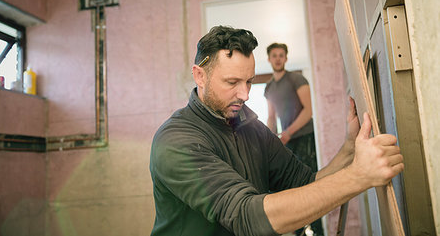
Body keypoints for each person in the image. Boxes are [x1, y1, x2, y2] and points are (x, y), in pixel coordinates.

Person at [149, 25, 404, 236]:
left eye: (249, 81)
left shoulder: (252, 128)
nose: (245, 94)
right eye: (232, 82)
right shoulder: (176, 142)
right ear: (200, 76)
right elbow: (248, 216)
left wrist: (350, 149)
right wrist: (359, 177)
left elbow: (307, 184)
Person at [264, 43, 321, 235]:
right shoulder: (269, 87)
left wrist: (288, 132)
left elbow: (309, 110)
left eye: (281, 55)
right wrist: (267, 140)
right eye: (274, 55)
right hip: (286, 143)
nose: (278, 58)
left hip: (304, 137)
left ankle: (318, 231)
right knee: (291, 188)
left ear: (286, 58)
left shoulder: (297, 78)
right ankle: (300, 231)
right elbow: (271, 117)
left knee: (310, 185)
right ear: (269, 59)